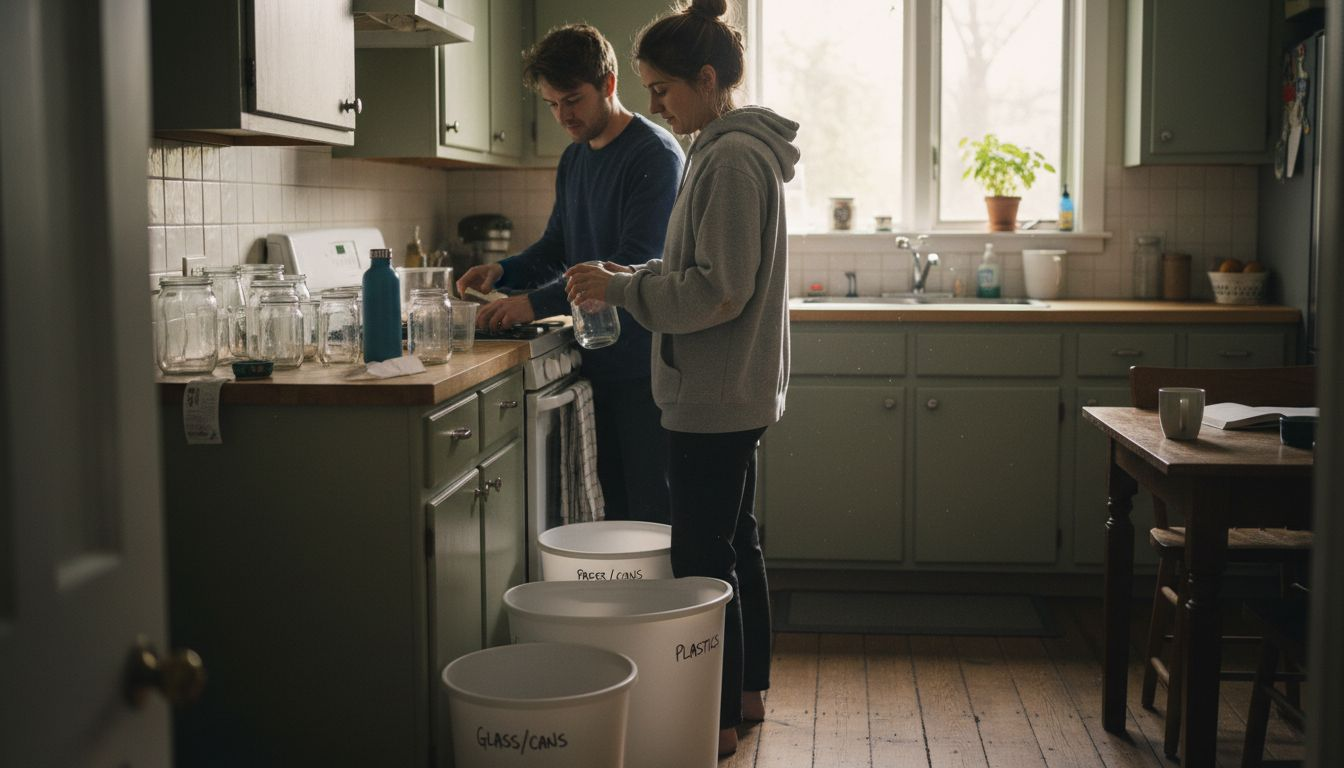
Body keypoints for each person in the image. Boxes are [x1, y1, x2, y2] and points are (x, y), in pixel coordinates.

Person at [564, 0, 799, 756]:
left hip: (712, 392)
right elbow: (702, 270)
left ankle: (716, 722)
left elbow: (717, 291)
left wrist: (624, 290)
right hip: (729, 388)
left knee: (704, 558)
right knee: (737, 543)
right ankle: (748, 693)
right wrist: (632, 274)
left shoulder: (729, 158)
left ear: (706, 79)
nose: (654, 105)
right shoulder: (725, 150)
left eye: (662, 89)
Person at [456, 24, 684, 524]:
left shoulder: (655, 155)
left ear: (608, 82)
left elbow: (630, 262)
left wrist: (532, 304)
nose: (564, 116)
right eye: (552, 104)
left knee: (653, 510)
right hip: (597, 359)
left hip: (649, 367)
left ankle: (664, 603)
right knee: (613, 507)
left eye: (573, 100)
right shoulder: (575, 157)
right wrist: (503, 269)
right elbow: (559, 247)